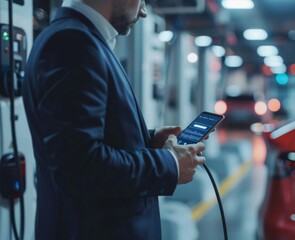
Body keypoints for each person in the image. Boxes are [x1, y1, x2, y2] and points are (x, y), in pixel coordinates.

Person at [22, 0, 206, 239]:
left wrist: (147, 141)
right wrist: (169, 165)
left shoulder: (81, 39)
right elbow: (81, 165)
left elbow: (86, 143)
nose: (143, 11)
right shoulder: (72, 43)